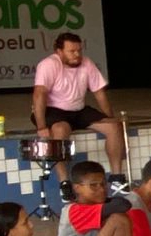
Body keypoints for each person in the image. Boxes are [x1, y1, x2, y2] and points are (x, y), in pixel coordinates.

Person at [32, 32, 127, 197]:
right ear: (59, 51)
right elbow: (39, 94)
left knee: (114, 126)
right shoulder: (48, 65)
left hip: (79, 110)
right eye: (72, 51)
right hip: (53, 110)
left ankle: (116, 178)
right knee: (60, 130)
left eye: (79, 50)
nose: (77, 55)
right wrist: (41, 126)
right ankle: (64, 182)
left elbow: (99, 93)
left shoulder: (87, 63)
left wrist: (109, 117)